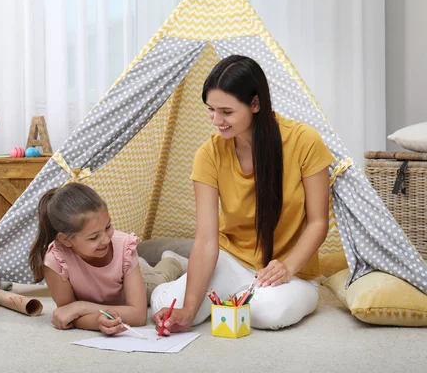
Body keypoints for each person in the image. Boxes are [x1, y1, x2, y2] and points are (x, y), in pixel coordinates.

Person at [151, 55, 335, 332]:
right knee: (164, 302)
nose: (216, 120)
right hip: (230, 260)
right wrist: (188, 309)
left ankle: (232, 294)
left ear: (255, 104)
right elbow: (206, 238)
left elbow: (318, 222)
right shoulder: (209, 153)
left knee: (266, 313)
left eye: (226, 112)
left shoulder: (304, 141)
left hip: (290, 271)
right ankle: (202, 281)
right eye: (211, 110)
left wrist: (287, 267)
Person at [29, 182, 188, 335]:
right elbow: (67, 315)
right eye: (93, 237)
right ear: (66, 240)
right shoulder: (55, 261)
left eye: (107, 227)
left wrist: (81, 307)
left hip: (134, 283)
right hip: (113, 291)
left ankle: (172, 260)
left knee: (159, 281)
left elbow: (139, 315)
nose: (106, 240)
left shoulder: (124, 246)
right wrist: (98, 321)